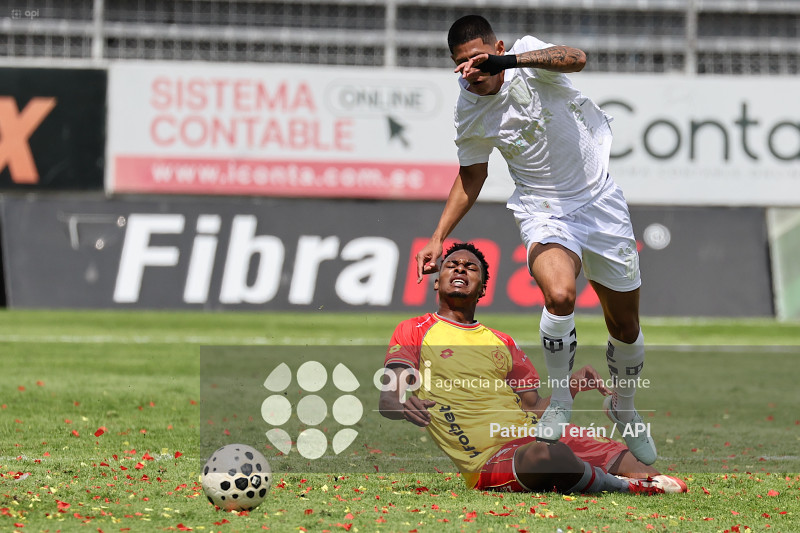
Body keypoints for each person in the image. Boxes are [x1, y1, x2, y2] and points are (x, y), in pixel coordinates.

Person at [414, 14, 656, 464]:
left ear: (498, 47)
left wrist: (507, 60)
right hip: (543, 209)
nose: (472, 70)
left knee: (625, 327)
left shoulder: (528, 57)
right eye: (461, 64)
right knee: (560, 295)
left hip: (600, 203)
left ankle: (623, 407)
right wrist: (437, 235)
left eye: (478, 58)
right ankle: (561, 401)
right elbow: (471, 176)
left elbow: (577, 58)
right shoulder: (468, 108)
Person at [381, 242, 685, 494]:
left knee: (641, 465)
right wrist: (403, 404)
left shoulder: (502, 342)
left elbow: (536, 409)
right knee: (548, 456)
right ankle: (620, 487)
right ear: (437, 280)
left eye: (471, 267)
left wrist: (573, 385)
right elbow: (388, 399)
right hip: (489, 459)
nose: (460, 268)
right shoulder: (414, 330)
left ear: (483, 288)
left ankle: (610, 476)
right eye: (452, 265)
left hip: (535, 433)